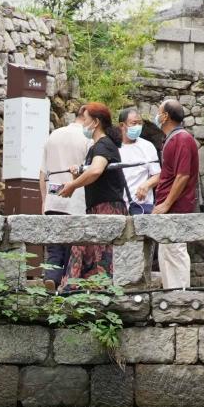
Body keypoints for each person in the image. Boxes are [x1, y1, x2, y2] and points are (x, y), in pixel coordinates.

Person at [53, 102, 131, 285]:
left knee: (102, 258)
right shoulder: (96, 147)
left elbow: (96, 170)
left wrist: (73, 185)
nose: (83, 123)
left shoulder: (104, 145)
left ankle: (98, 293)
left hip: (107, 210)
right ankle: (84, 293)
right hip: (96, 209)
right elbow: (92, 173)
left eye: (85, 119)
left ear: (96, 122)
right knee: (88, 256)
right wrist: (77, 174)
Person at [39, 108, 93, 285]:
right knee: (72, 246)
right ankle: (67, 283)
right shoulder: (88, 139)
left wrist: (44, 201)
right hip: (76, 198)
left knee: (54, 246)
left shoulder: (54, 135)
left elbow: (43, 173)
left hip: (53, 197)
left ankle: (51, 277)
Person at [153, 100, 201, 290]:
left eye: (159, 112)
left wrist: (166, 204)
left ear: (165, 116)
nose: (157, 116)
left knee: (175, 252)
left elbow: (182, 176)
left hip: (175, 207)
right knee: (167, 254)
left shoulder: (182, 139)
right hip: (169, 207)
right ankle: (171, 297)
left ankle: (180, 300)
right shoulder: (172, 138)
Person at [119, 106, 162, 213]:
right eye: (134, 123)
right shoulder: (113, 147)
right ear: (122, 125)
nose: (138, 127)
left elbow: (158, 175)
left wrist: (147, 185)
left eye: (140, 123)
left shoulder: (147, 146)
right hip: (118, 207)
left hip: (141, 206)